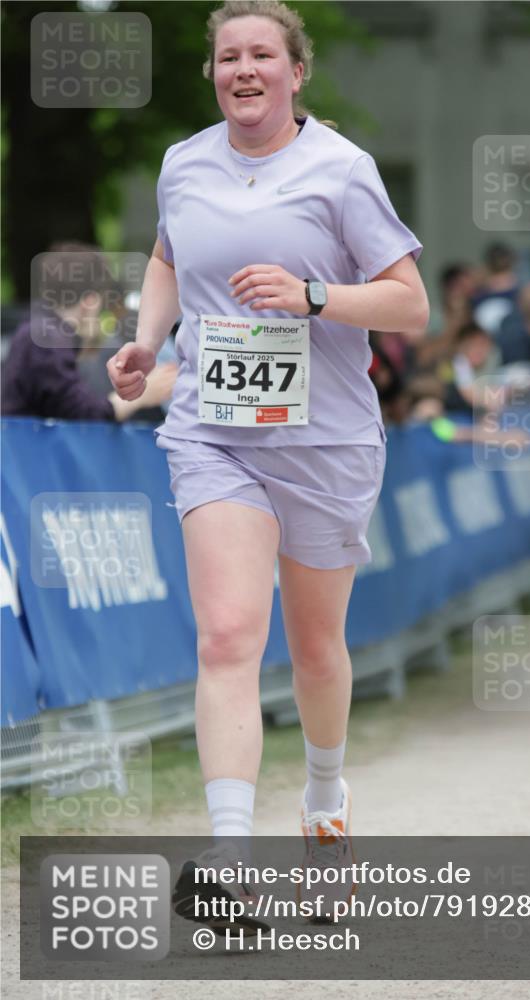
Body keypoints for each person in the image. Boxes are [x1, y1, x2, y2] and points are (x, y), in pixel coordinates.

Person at [106, 0, 428, 933]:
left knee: (317, 646)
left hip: (325, 438)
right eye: (227, 57)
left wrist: (312, 294)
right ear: (212, 72)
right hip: (214, 429)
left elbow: (407, 305)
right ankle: (231, 857)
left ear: (296, 71)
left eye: (262, 56)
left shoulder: (341, 169)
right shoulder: (184, 163)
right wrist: (145, 341)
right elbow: (169, 254)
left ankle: (324, 805)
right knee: (228, 635)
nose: (243, 70)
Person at [1, 243, 176, 422]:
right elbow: (83, 414)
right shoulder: (46, 341)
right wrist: (144, 395)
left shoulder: (38, 331)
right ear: (90, 302)